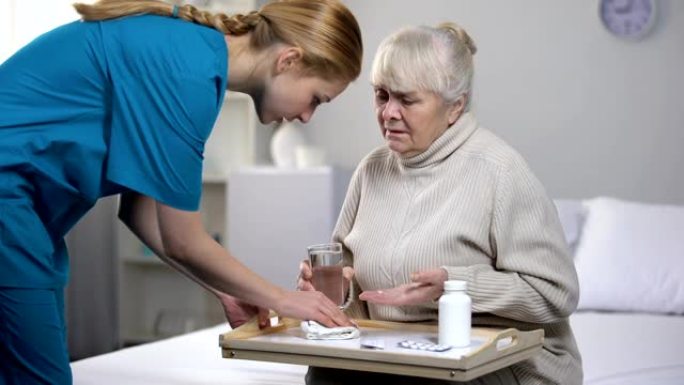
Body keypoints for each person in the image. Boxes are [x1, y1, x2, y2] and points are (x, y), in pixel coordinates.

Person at [0, 0, 362, 383]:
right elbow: (183, 241)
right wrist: (284, 299)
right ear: (289, 60)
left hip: (26, 218)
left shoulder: (191, 56)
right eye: (316, 99)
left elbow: (141, 214)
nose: (307, 116)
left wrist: (225, 291)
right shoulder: (189, 73)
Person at [298, 22, 582, 385]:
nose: (389, 113)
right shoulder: (371, 171)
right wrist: (329, 291)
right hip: (400, 355)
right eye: (382, 96)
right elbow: (354, 292)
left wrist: (455, 286)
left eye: (407, 99)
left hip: (495, 361)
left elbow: (556, 294)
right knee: (325, 372)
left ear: (455, 106)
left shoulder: (499, 170)